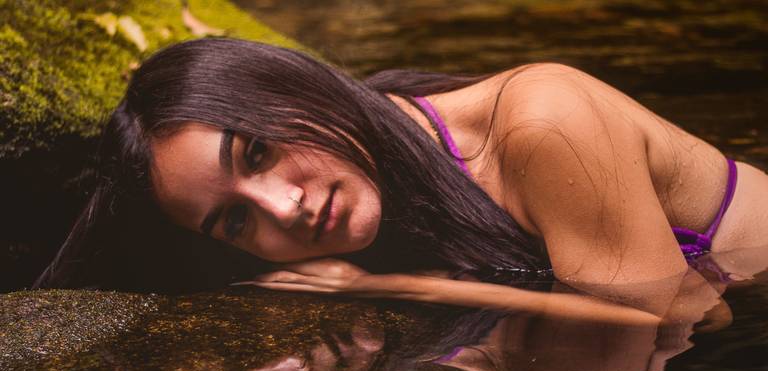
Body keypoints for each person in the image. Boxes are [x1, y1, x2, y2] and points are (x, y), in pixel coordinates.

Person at [36, 37, 768, 324]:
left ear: (294, 89)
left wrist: (386, 287)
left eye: (255, 152)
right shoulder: (399, 177)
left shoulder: (542, 124)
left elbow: (689, 318)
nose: (283, 209)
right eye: (233, 221)